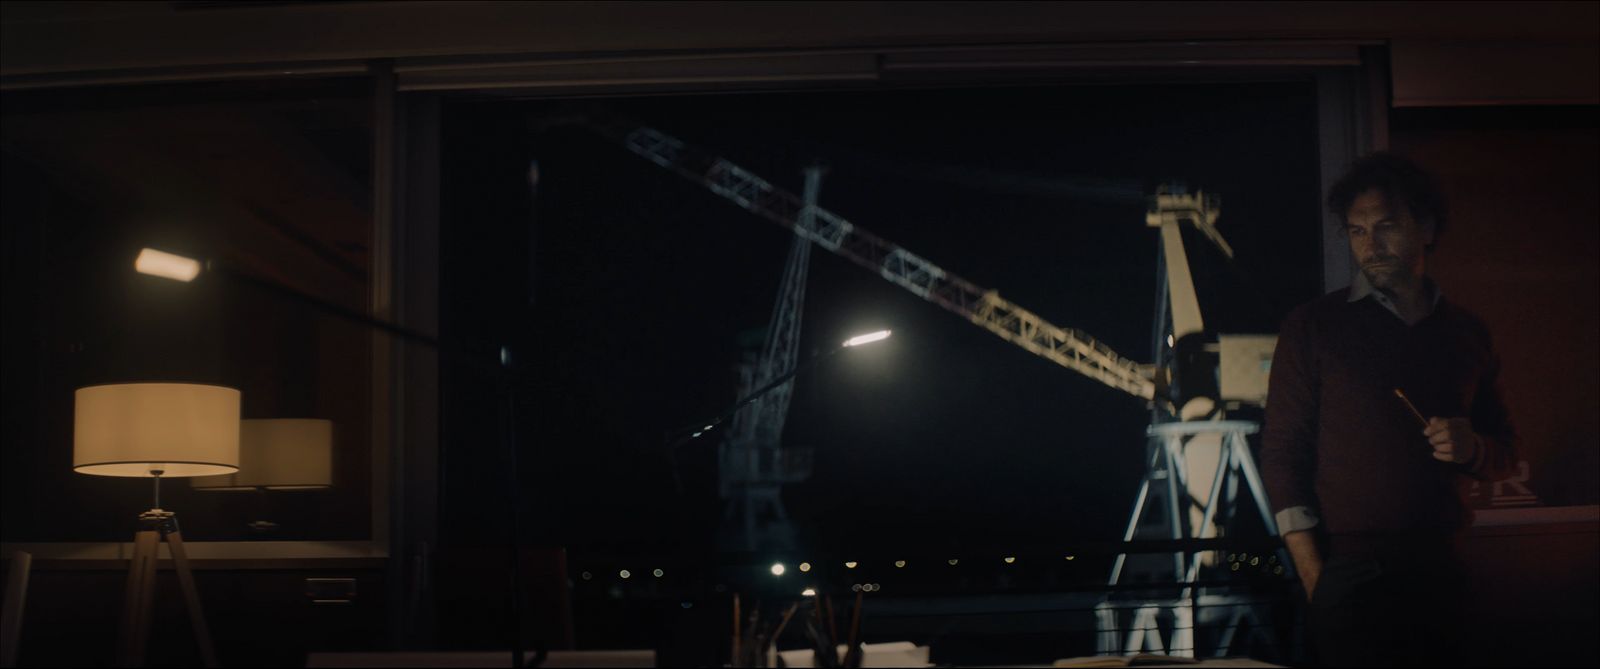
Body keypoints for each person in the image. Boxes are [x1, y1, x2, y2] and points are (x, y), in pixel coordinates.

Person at [1259, 152, 1517, 667]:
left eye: (1386, 227)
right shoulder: (1314, 326)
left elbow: (1506, 451)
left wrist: (1474, 449)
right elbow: (1283, 454)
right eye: (1356, 232)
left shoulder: (1467, 332)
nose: (1369, 246)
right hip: (1350, 571)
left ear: (1426, 228)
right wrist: (1318, 582)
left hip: (1443, 566)